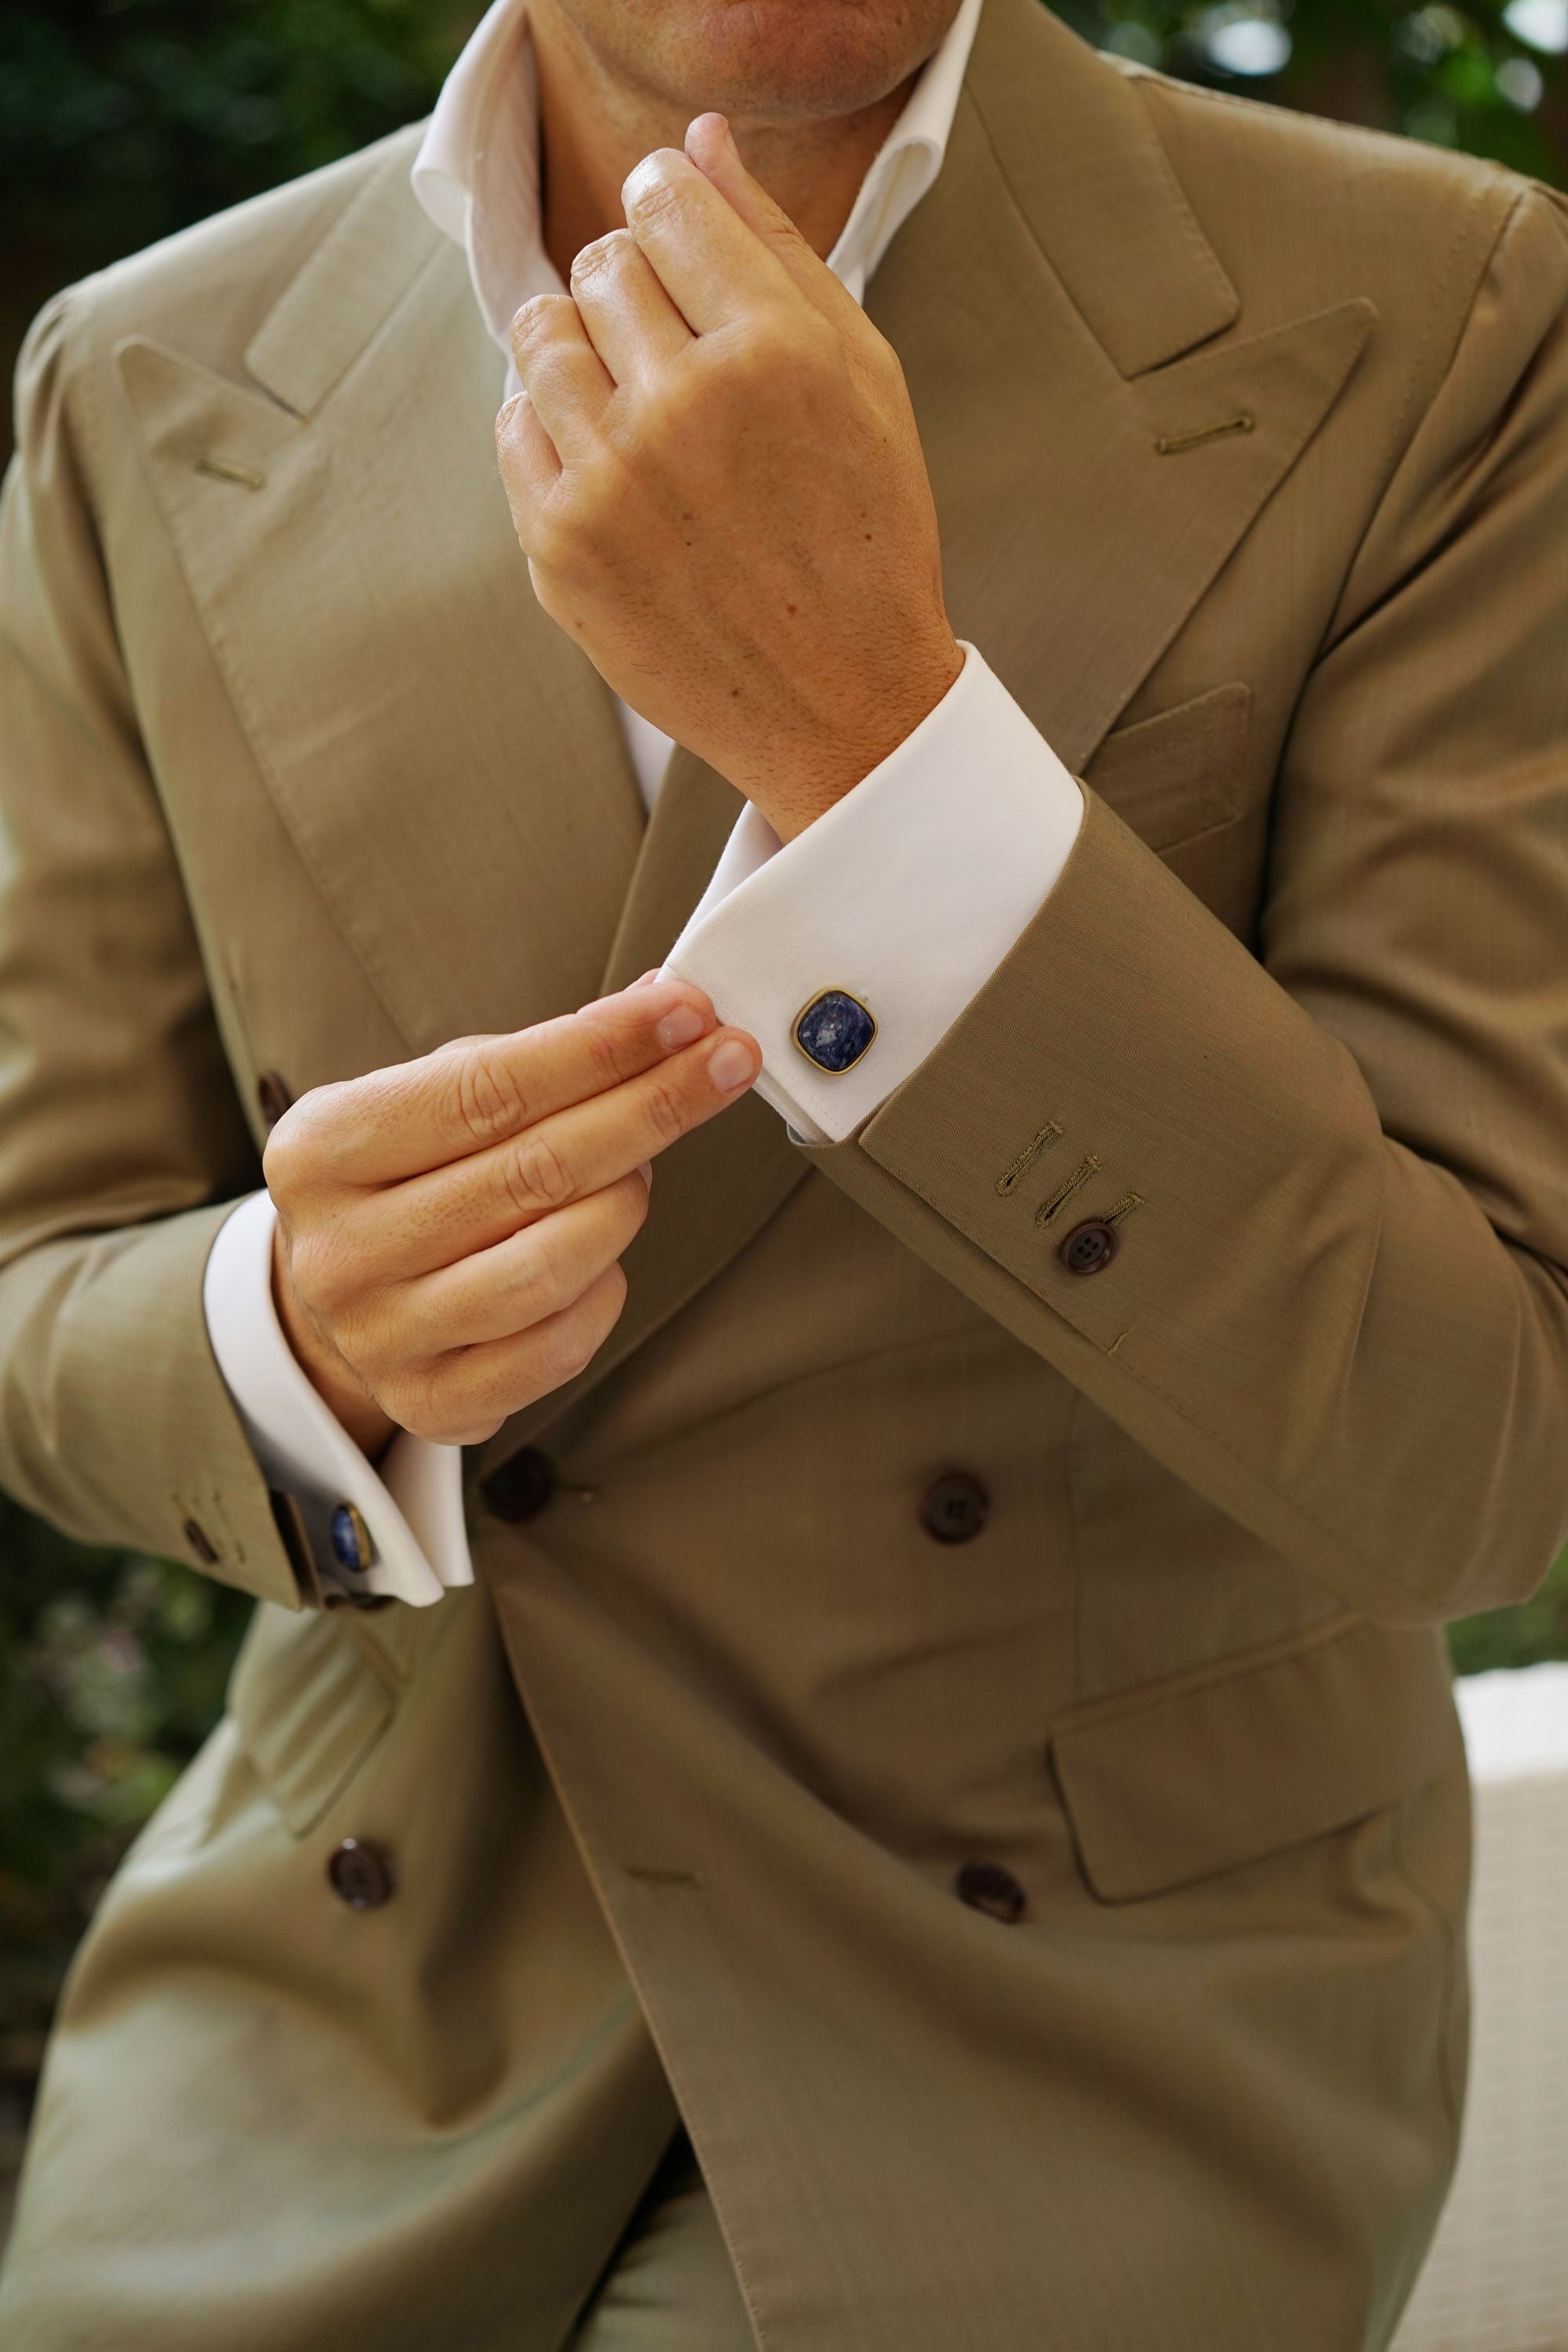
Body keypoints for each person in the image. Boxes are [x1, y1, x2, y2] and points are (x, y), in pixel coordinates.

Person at [1, 0, 1566, 2339]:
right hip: (350, 1985)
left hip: (1068, 2009)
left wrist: (873, 744)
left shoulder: (1449, 311)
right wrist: (285, 1333)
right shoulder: (142, 377)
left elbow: (1498, 1439)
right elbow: (43, 1272)